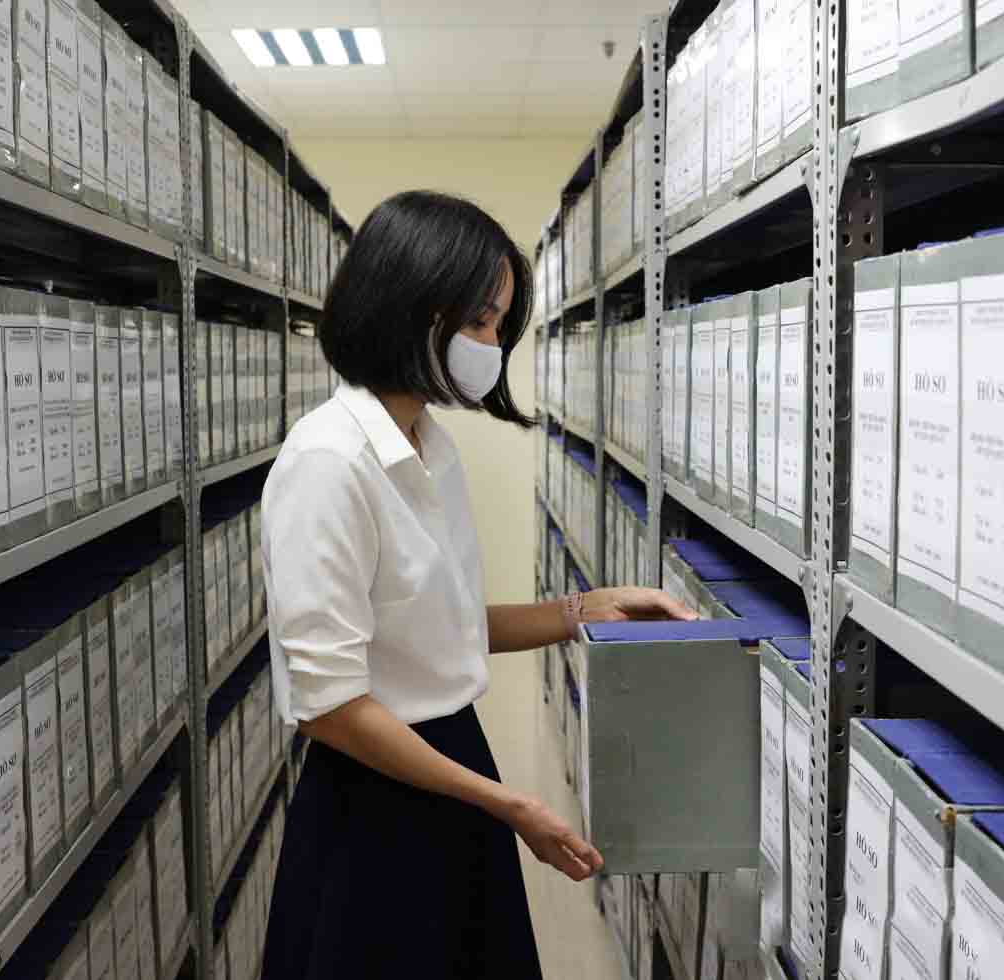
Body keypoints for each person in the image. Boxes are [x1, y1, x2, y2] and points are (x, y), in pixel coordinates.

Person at [259, 190, 693, 979]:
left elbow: (436, 626)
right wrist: (508, 805)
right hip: (375, 800)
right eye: (481, 321)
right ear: (413, 311)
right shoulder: (329, 464)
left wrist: (581, 610)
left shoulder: (425, 444)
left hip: (447, 767)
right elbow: (330, 709)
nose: (492, 345)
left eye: (497, 323)